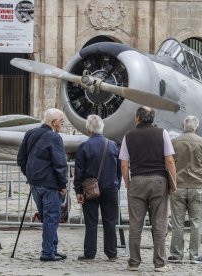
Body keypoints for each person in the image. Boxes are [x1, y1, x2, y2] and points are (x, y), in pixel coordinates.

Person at [119, 106, 176, 273]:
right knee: (159, 224)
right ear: (152, 118)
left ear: (137, 118)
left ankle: (133, 262)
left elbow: (124, 164)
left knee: (135, 224)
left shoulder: (128, 136)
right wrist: (173, 183)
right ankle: (160, 263)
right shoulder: (162, 133)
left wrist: (129, 183)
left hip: (137, 180)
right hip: (159, 181)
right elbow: (170, 161)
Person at [17, 108, 68, 262]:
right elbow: (60, 164)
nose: (63, 124)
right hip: (50, 185)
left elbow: (21, 159)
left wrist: (30, 174)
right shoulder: (54, 137)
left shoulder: (30, 133)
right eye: (61, 121)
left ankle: (52, 248)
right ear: (53, 122)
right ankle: (47, 252)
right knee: (51, 218)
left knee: (48, 219)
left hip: (35, 184)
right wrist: (63, 184)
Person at [168, 116, 202, 264]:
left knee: (177, 222)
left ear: (183, 126)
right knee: (196, 223)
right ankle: (195, 255)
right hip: (197, 187)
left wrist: (171, 183)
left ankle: (176, 254)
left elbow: (168, 164)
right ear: (197, 128)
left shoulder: (174, 142)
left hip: (178, 187)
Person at [73, 115, 121, 262]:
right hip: (110, 188)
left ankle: (90, 253)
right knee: (110, 221)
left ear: (88, 129)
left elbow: (79, 172)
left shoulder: (84, 146)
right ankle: (111, 253)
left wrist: (78, 191)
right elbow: (118, 169)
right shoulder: (113, 145)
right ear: (102, 127)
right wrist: (116, 184)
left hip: (90, 190)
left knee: (91, 222)